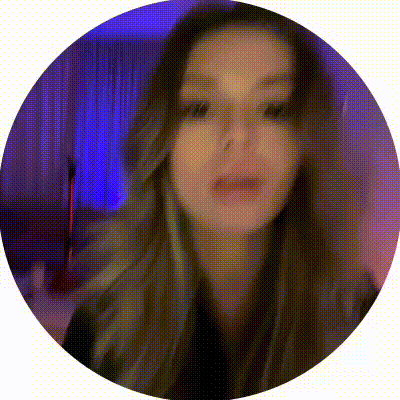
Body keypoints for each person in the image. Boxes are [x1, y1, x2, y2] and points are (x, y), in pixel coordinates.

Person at [63, 2, 379, 399]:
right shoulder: (100, 328)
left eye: (274, 109)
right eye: (201, 108)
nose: (238, 135)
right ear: (162, 142)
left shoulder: (361, 315)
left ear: (305, 145)